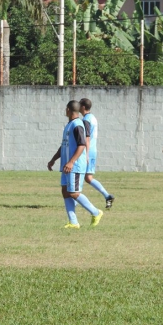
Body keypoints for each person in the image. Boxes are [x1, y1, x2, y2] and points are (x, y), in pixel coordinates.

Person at [48, 100, 103, 229]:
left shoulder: (78, 125)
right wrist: (53, 159)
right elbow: (64, 145)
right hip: (67, 165)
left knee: (73, 192)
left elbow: (82, 145)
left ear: (68, 109)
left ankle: (96, 212)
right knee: (65, 192)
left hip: (75, 165)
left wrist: (72, 162)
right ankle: (73, 222)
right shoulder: (69, 125)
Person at [79, 98, 115, 208]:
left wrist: (86, 153)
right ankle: (107, 196)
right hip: (93, 150)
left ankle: (75, 200)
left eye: (80, 105)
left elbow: (87, 138)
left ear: (83, 107)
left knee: (79, 174)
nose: (78, 107)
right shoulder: (93, 117)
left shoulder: (86, 120)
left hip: (88, 150)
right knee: (88, 178)